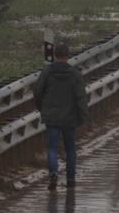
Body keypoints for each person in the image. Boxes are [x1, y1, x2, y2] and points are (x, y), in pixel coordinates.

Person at [33, 40, 88, 189]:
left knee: (52, 147)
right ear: (68, 55)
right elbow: (81, 97)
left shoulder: (47, 72)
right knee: (70, 149)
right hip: (70, 117)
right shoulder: (75, 74)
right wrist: (83, 116)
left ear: (55, 55)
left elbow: (37, 91)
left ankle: (53, 174)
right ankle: (70, 180)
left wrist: (42, 109)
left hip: (51, 116)